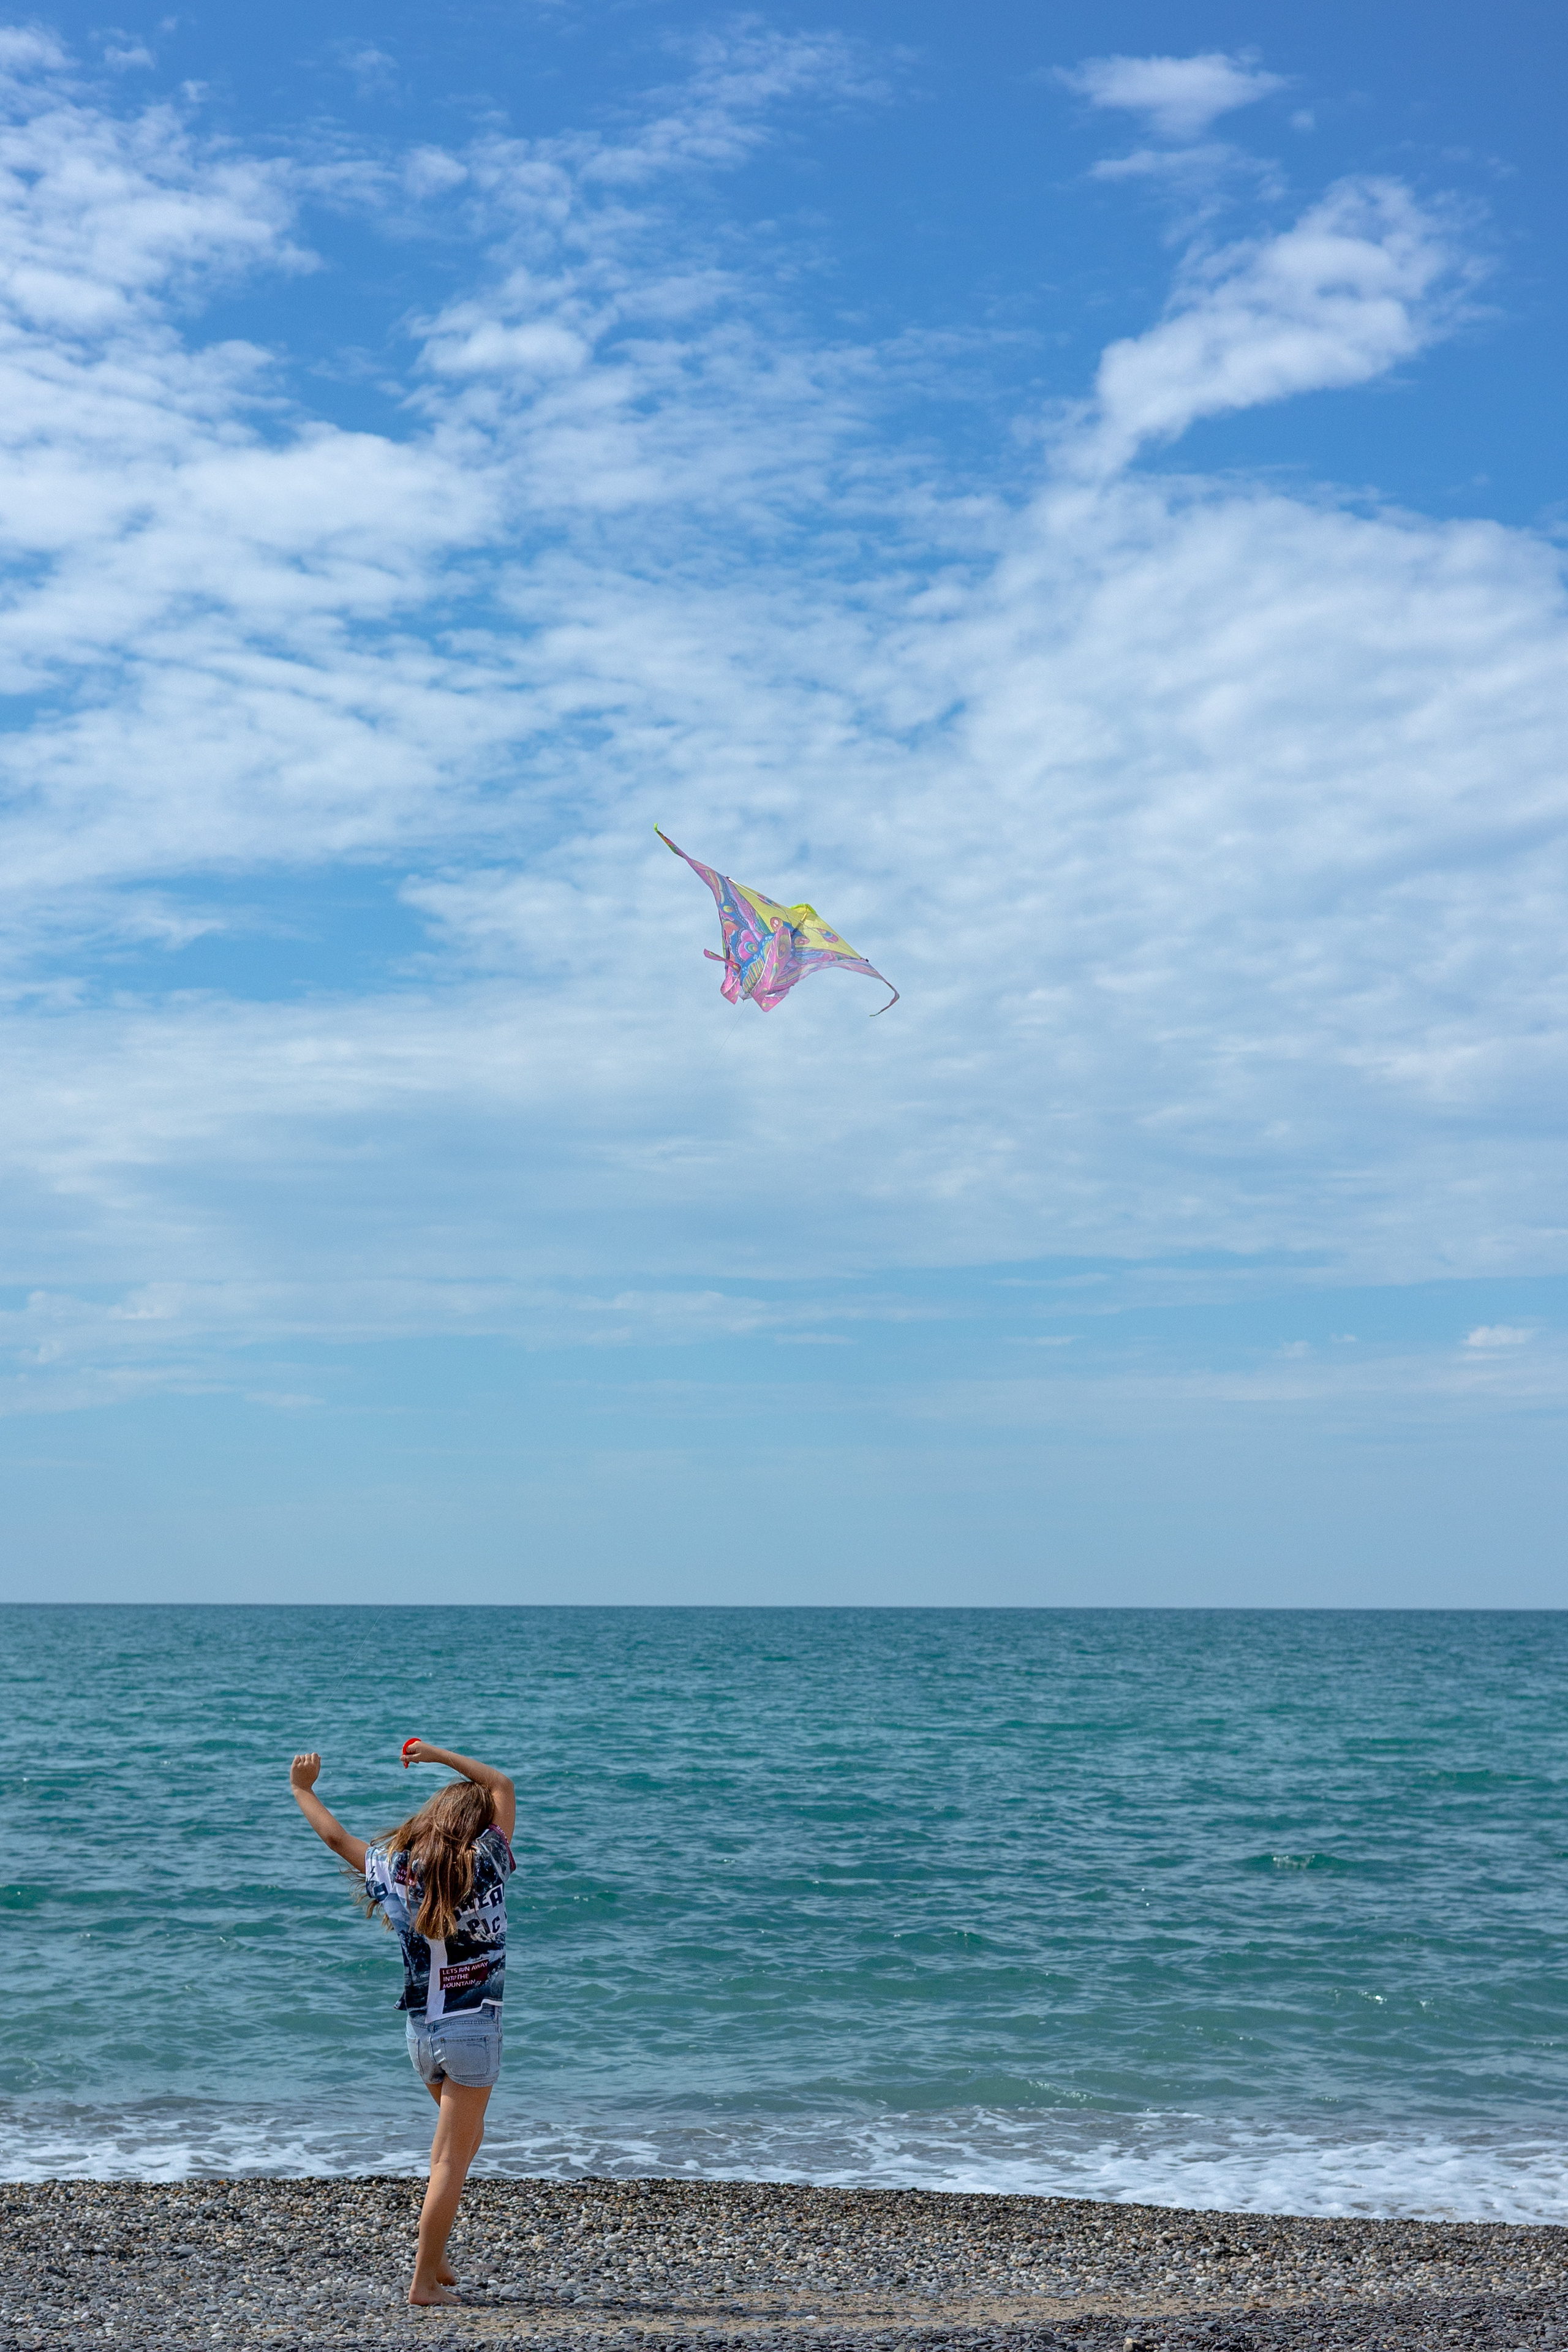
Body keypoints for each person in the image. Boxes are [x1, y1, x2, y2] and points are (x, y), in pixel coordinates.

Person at [288, 1738, 516, 2307]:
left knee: (463, 2143)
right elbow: (501, 1785)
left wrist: (301, 1790)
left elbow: (335, 1838)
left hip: (422, 2034)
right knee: (450, 2160)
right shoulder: (486, 1860)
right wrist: (437, 1754)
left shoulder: (394, 1868)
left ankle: (436, 2257)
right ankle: (423, 2283)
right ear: (477, 1826)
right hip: (472, 2030)